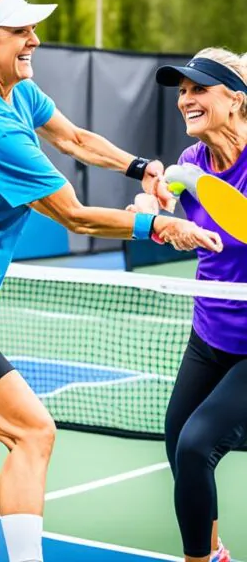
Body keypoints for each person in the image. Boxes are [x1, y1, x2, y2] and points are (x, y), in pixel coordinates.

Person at [0, 0, 222, 562]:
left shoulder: (6, 90)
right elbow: (72, 213)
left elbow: (75, 139)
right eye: (21, 31)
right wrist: (159, 229)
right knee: (33, 433)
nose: (35, 39)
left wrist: (143, 166)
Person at [132, 47, 247, 562]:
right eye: (181, 91)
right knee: (178, 441)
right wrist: (156, 209)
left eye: (198, 89)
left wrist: (194, 185)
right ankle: (215, 552)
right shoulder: (191, 161)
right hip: (209, 335)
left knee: (198, 444)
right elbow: (163, 206)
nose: (185, 100)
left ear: (236, 101)